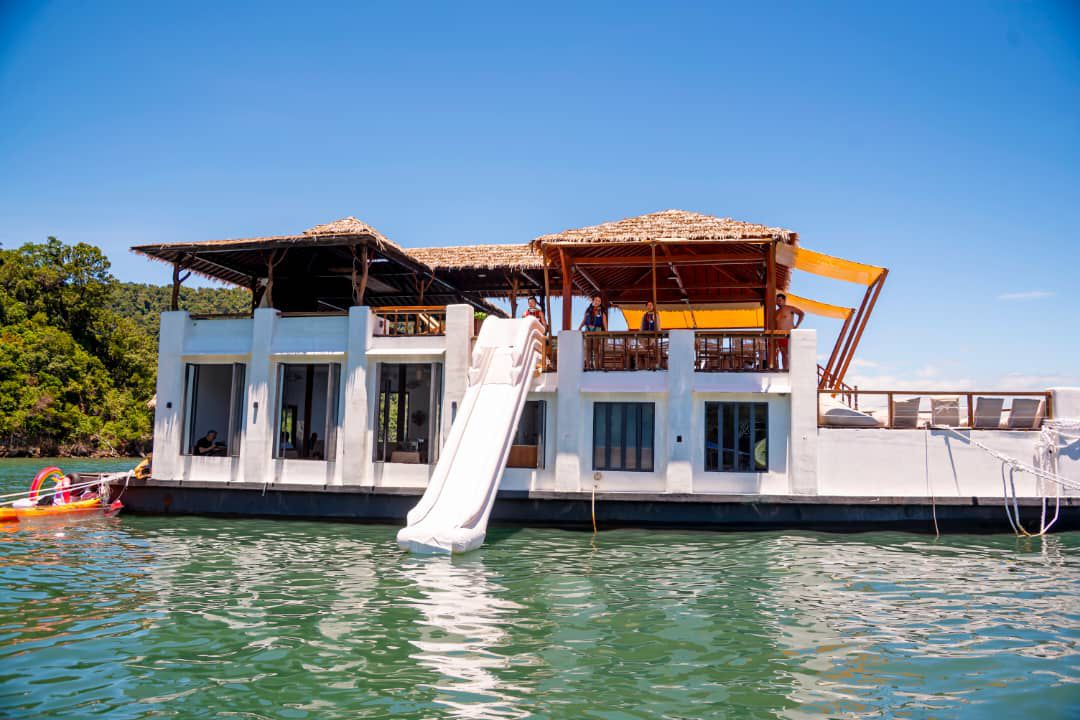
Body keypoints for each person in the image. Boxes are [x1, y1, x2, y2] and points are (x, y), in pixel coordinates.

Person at [774, 293, 805, 370]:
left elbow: (801, 314)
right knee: (783, 354)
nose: (778, 302)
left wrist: (797, 325)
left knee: (790, 353)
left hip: (788, 334)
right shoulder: (776, 312)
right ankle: (785, 370)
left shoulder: (789, 308)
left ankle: (793, 370)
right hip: (779, 336)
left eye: (779, 300)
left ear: (784, 300)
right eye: (777, 301)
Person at [579, 295, 606, 369]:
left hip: (597, 329)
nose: (597, 302)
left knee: (596, 349)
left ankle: (597, 367)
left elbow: (604, 321)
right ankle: (588, 366)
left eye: (599, 301)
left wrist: (606, 331)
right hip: (588, 329)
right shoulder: (588, 310)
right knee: (588, 349)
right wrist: (579, 328)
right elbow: (584, 320)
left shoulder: (602, 311)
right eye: (596, 300)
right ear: (593, 301)